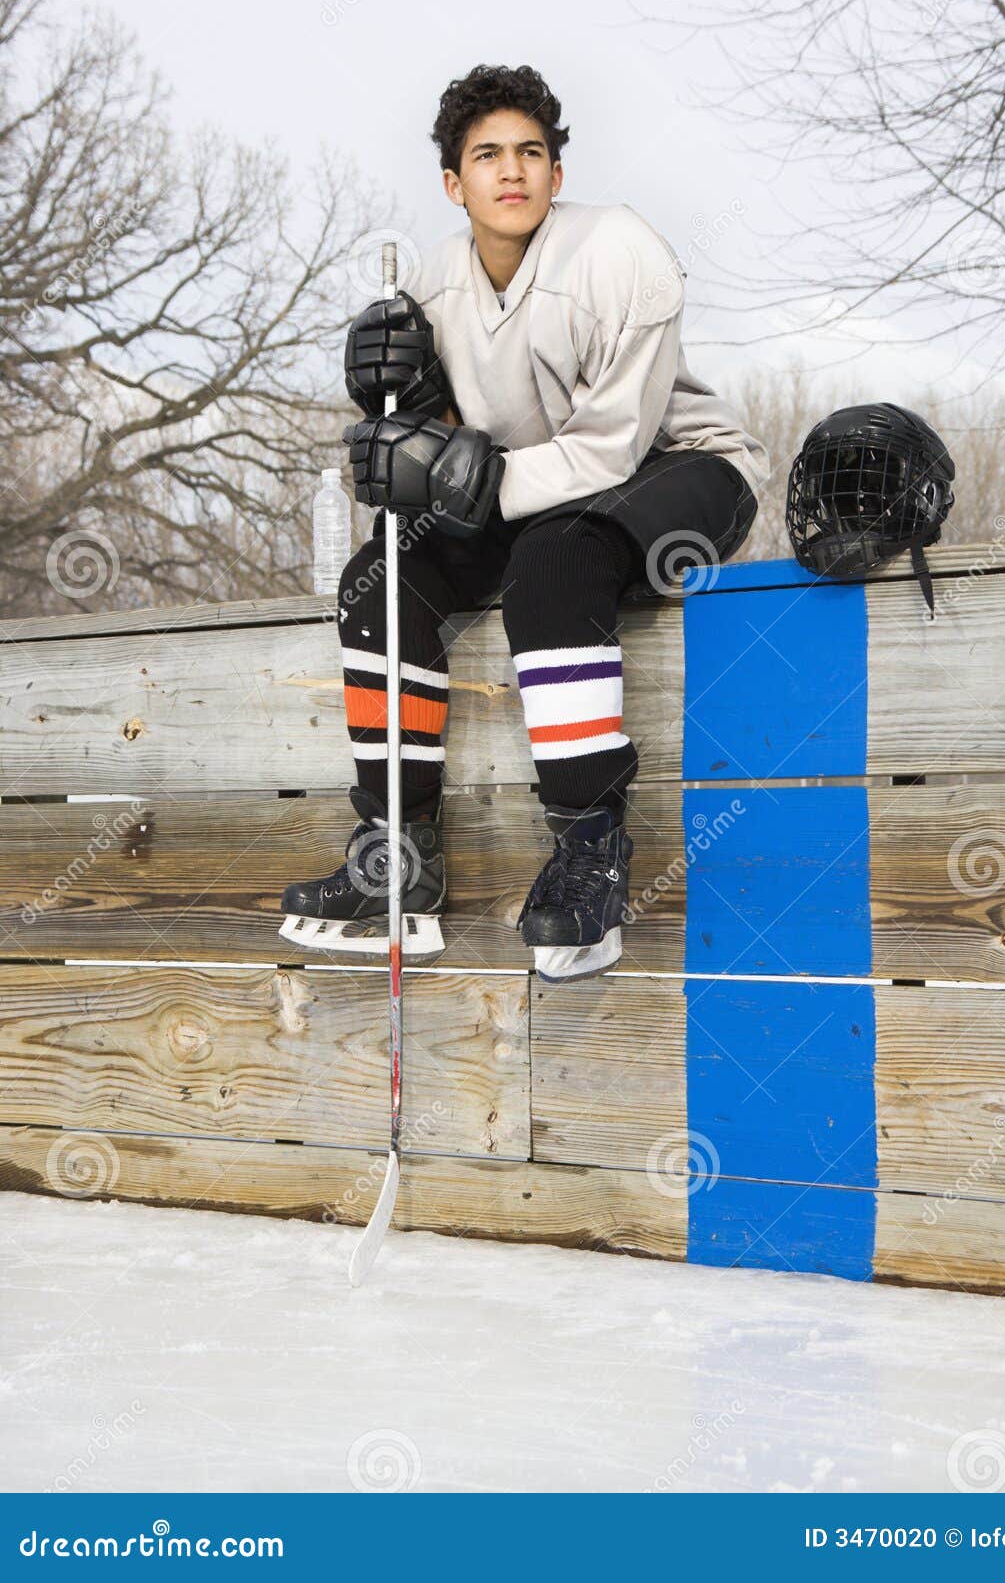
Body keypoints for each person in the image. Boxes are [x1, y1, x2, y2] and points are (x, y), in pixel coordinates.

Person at [280, 63, 769, 982]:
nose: (512, 171)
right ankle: (397, 850)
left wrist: (463, 475)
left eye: (531, 153)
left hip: (682, 474)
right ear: (451, 183)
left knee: (553, 560)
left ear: (555, 172)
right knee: (378, 578)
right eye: (487, 155)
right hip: (537, 491)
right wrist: (409, 427)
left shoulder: (620, 251)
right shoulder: (428, 282)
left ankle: (590, 853)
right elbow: (462, 453)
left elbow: (613, 451)